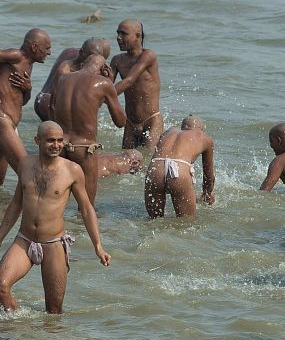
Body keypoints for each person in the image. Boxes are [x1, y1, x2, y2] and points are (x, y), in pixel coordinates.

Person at [0, 121, 109, 314]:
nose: (56, 145)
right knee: (0, 287)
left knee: (54, 310)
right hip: (24, 240)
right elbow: (16, 204)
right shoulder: (25, 164)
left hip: (54, 244)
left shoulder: (72, 170)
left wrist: (98, 246)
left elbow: (86, 209)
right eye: (50, 140)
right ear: (37, 140)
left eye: (60, 141)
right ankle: (19, 330)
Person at [0, 28, 51, 185]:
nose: (49, 53)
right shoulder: (16, 55)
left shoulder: (28, 65)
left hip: (6, 124)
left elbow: (22, 102)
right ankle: (33, 209)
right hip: (1, 122)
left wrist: (27, 89)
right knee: (30, 175)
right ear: (34, 47)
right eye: (47, 48)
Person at [47, 51, 129, 202]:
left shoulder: (63, 79)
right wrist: (109, 84)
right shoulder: (104, 84)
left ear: (83, 64)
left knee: (54, 203)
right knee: (86, 206)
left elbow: (51, 107)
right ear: (105, 68)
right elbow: (121, 121)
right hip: (84, 149)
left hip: (60, 146)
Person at [144, 115, 215, 218]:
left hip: (155, 169)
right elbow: (208, 176)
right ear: (202, 129)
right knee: (186, 224)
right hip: (179, 171)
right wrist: (207, 194)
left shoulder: (169, 131)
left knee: (154, 221)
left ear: (182, 127)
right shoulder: (204, 137)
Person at [109, 19, 162, 153]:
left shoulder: (148, 56)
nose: (118, 38)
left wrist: (102, 97)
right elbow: (106, 85)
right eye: (118, 33)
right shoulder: (117, 60)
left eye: (123, 34)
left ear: (138, 35)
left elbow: (129, 81)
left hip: (152, 121)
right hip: (130, 123)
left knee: (147, 163)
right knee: (125, 166)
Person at [259, 122, 285, 197]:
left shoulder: (280, 161)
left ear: (279, 140)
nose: (271, 145)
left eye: (271, 141)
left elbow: (264, 191)